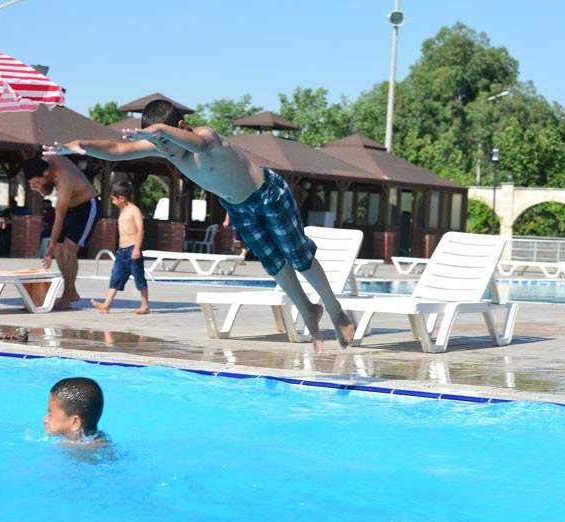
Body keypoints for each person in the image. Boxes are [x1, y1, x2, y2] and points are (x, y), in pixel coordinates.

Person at [44, 99, 354, 353]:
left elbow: (202, 144)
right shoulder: (164, 146)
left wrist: (160, 130)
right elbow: (117, 150)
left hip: (268, 194)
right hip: (238, 207)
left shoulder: (208, 136)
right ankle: (308, 309)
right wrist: (80, 145)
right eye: (157, 144)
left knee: (297, 255)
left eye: (165, 140)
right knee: (275, 264)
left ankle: (334, 308)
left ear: (180, 128)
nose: (164, 149)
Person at [24, 155, 99, 310]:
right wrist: (40, 188)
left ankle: (67, 295)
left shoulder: (63, 179)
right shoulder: (42, 164)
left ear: (45, 173)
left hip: (87, 206)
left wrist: (50, 246)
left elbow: (59, 217)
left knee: (68, 250)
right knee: (59, 250)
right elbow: (48, 189)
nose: (37, 184)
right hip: (71, 207)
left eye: (37, 182)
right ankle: (72, 292)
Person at [91, 180, 150, 314]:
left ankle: (145, 305)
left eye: (113, 199)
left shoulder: (134, 210)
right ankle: (106, 305)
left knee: (139, 278)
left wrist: (137, 248)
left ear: (121, 198)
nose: (112, 202)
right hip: (121, 252)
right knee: (115, 277)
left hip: (132, 249)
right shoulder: (122, 211)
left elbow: (140, 229)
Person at [43, 377, 109, 446]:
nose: (45, 420)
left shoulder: (75, 449)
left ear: (75, 422)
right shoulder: (101, 440)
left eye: (50, 415)